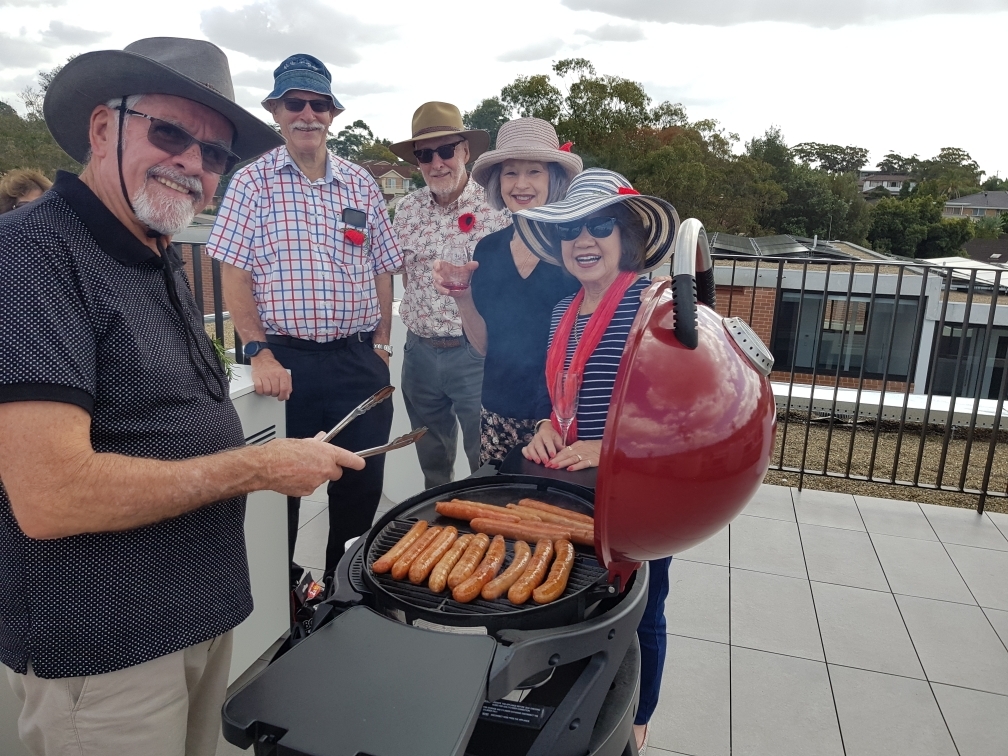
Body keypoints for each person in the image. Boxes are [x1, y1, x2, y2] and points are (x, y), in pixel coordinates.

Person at [0, 38, 363, 756]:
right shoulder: (29, 256)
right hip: (105, 649)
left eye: (215, 154)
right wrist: (258, 468)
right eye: (168, 132)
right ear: (104, 129)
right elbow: (50, 495)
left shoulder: (150, 246)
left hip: (197, 613)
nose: (193, 165)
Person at [208, 54, 401, 581]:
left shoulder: (361, 184)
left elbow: (384, 266)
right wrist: (258, 350)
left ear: (333, 113)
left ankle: (347, 591)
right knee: (283, 494)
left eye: (319, 104)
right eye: (295, 103)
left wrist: (382, 342)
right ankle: (292, 598)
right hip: (286, 365)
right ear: (276, 111)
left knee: (360, 482)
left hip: (358, 358)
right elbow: (234, 273)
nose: (307, 114)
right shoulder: (252, 183)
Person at [516, 168, 679, 756]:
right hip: (571, 488)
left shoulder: (654, 308)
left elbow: (678, 415)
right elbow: (552, 392)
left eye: (600, 226)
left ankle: (639, 712)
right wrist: (543, 426)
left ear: (627, 235)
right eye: (571, 230)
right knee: (580, 599)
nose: (584, 240)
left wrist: (610, 446)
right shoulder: (563, 310)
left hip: (635, 491)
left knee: (644, 605)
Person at [432, 118, 581, 466]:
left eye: (534, 172)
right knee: (497, 511)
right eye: (511, 173)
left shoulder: (575, 250)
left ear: (553, 180)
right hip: (496, 412)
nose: (521, 184)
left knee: (547, 517)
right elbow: (484, 345)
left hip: (560, 421)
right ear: (499, 183)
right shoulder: (487, 249)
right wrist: (462, 296)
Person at [390, 102, 509, 488]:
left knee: (485, 461)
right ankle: (440, 539)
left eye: (446, 150)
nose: (436, 162)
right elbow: (406, 276)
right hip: (419, 354)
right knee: (433, 463)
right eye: (425, 154)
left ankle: (483, 541)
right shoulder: (406, 210)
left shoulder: (496, 207)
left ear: (465, 151)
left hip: (474, 355)